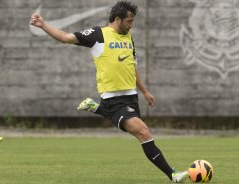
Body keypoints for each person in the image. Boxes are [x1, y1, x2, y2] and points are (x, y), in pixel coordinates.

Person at [30, 1, 188, 182]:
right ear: (118, 19)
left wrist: (145, 91)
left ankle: (96, 108)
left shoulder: (129, 37)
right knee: (143, 132)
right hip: (113, 100)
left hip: (131, 98)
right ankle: (173, 174)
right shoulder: (99, 34)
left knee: (136, 131)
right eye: (129, 21)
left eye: (133, 21)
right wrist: (43, 25)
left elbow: (131, 66)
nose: (131, 25)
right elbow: (66, 37)